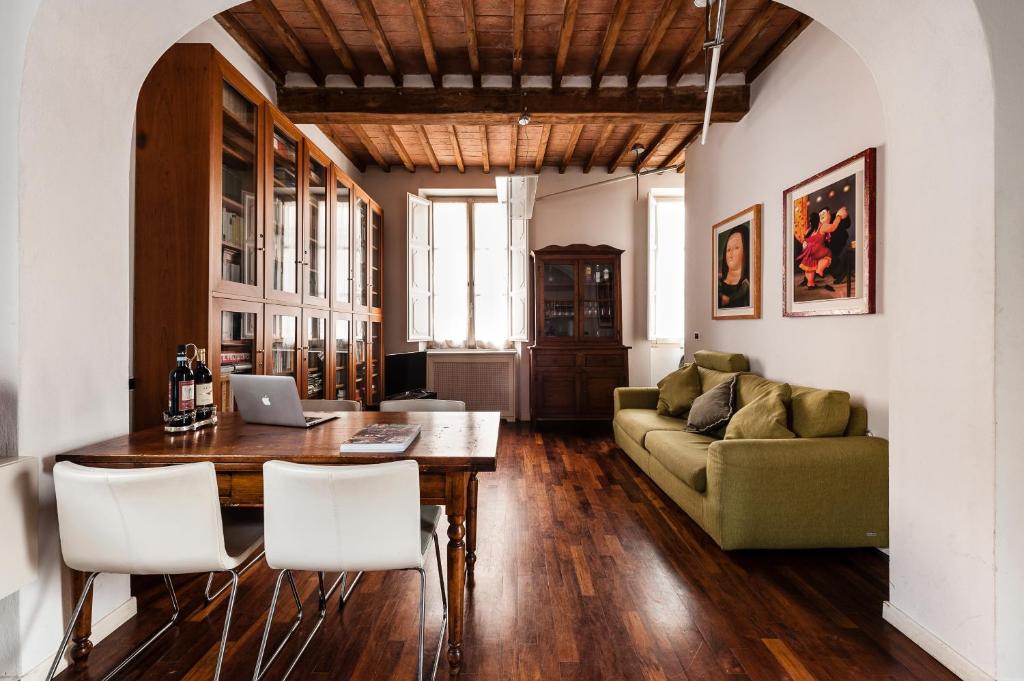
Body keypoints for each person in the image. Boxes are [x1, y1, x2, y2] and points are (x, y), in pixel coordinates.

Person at [796, 206, 848, 290]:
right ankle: (815, 275)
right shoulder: (820, 227)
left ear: (829, 214)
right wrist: (839, 216)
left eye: (823, 214)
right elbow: (833, 227)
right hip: (818, 251)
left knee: (812, 263)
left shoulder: (811, 229)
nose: (822, 217)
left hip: (813, 252)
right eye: (820, 216)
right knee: (825, 255)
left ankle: (811, 282)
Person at [718, 227, 750, 308]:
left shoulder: (746, 285)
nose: (730, 253)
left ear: (745, 251)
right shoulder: (718, 284)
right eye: (728, 249)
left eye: (736, 248)